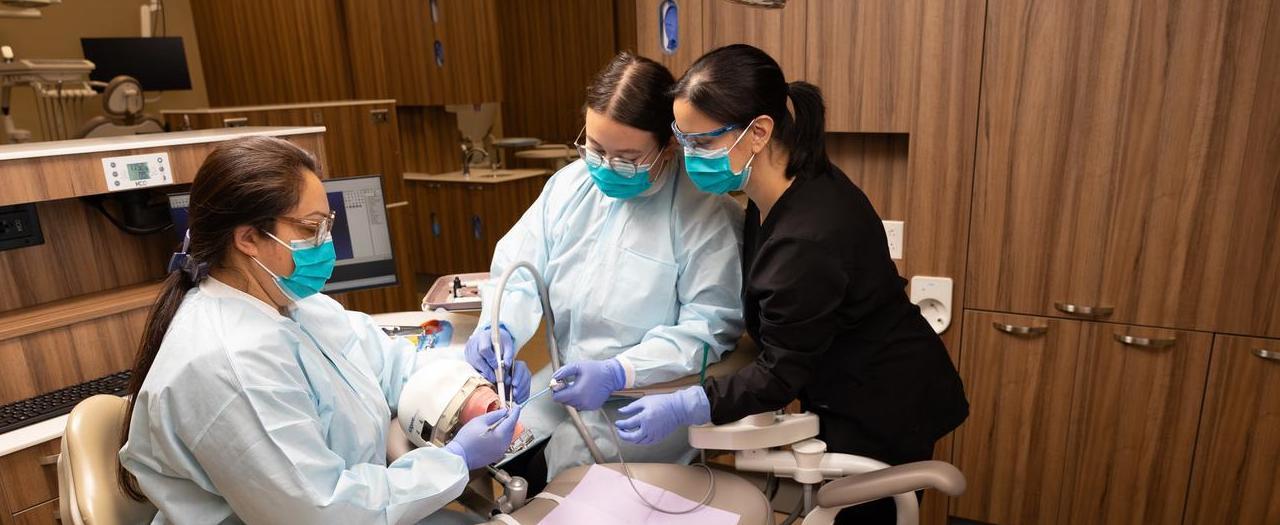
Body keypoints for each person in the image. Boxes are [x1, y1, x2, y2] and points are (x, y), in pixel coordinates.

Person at [613, 44, 969, 524]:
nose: (689, 155)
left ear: (759, 132)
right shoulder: (781, 186)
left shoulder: (807, 236)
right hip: (851, 380)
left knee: (864, 515)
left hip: (884, 402)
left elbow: (780, 374)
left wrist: (689, 404)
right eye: (682, 138)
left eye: (701, 142)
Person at [117, 136, 526, 524]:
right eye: (311, 228)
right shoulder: (229, 366)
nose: (326, 242)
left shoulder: (300, 307)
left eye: (326, 225)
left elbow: (392, 365)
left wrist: (472, 389)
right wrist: (453, 461)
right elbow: (320, 510)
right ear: (249, 239)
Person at [463, 51, 745, 488]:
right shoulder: (570, 186)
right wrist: (501, 330)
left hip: (640, 404)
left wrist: (619, 371)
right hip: (559, 389)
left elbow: (707, 329)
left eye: (628, 157)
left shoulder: (704, 213)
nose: (606, 167)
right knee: (491, 460)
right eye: (595, 149)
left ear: (669, 145)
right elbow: (519, 269)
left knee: (561, 488)